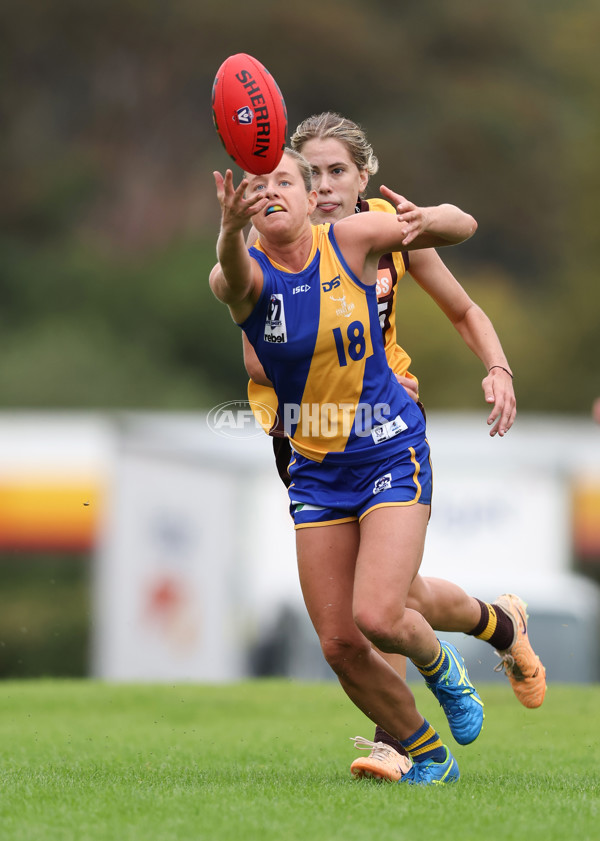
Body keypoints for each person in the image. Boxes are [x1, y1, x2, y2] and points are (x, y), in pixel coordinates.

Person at [242, 114, 546, 782]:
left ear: (364, 176)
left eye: (336, 172)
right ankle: (499, 624)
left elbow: (464, 293)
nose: (322, 187)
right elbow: (259, 359)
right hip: (302, 433)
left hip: (384, 422)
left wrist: (498, 367)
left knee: (380, 606)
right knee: (389, 603)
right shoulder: (277, 238)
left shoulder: (379, 228)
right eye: (310, 174)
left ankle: (401, 742)